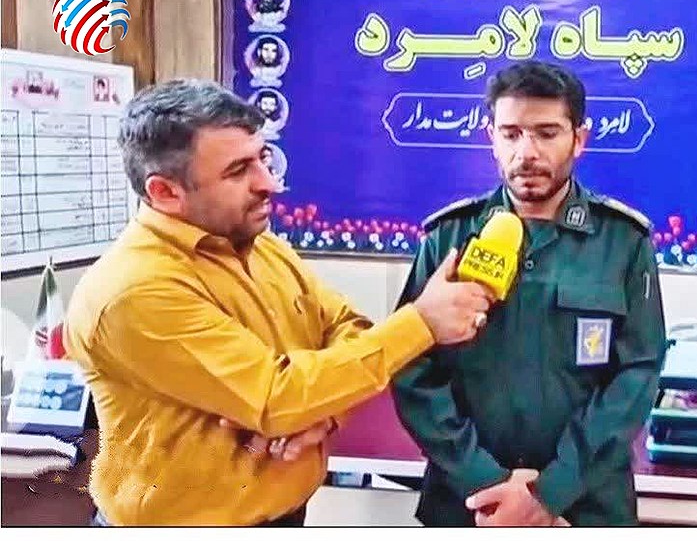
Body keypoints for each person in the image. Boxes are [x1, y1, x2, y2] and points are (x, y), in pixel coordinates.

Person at [62, 79, 495, 526]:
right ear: (165, 192)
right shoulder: (135, 291)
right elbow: (276, 397)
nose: (269, 183)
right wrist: (422, 322)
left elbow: (348, 327)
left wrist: (321, 415)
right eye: (238, 171)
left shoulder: (257, 242)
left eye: (263, 158)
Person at [390, 61, 667, 526]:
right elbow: (411, 367)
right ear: (491, 138)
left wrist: (549, 493)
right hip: (467, 506)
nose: (527, 152)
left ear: (579, 139)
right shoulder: (448, 238)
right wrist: (484, 481)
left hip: (585, 507)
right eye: (511, 134)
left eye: (546, 133)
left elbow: (636, 376)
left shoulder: (623, 242)